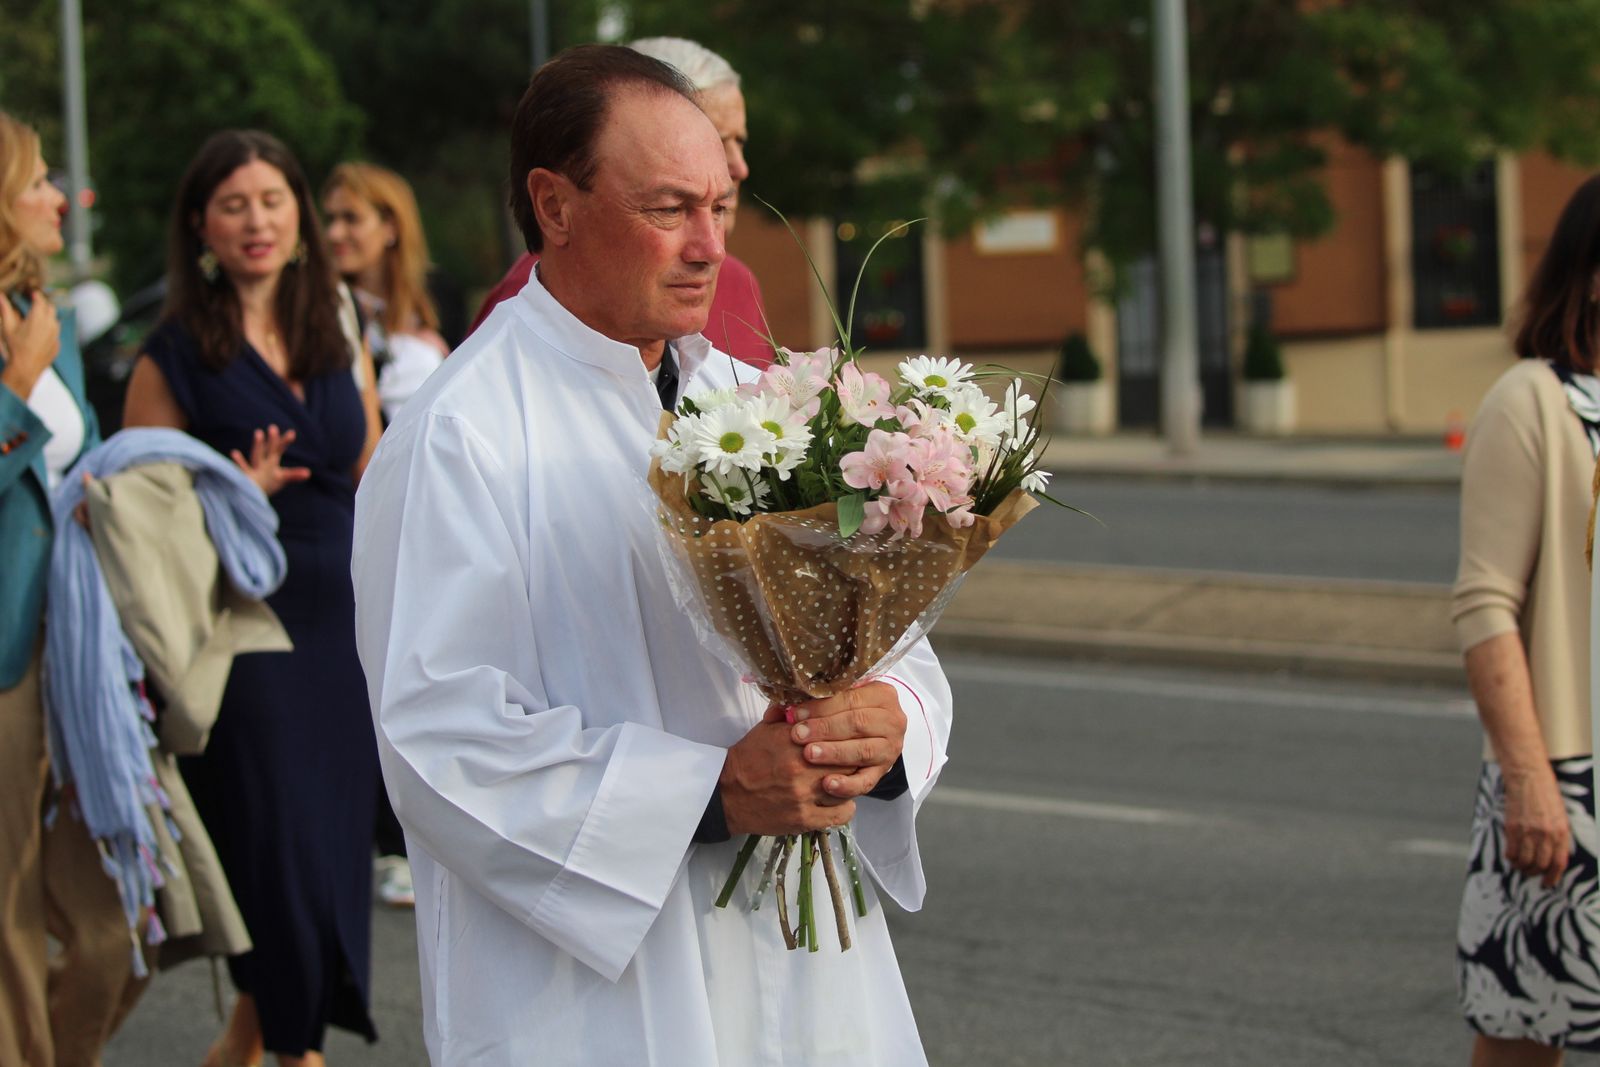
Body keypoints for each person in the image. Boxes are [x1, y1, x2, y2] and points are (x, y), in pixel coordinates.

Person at [352, 45, 951, 1065]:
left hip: (807, 959)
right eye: (668, 207)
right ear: (555, 203)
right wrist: (712, 794)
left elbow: (885, 636)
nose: (709, 244)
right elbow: (438, 740)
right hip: (599, 991)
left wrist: (888, 722)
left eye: (719, 205)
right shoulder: (461, 430)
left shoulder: (751, 401)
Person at [121, 129, 383, 1067]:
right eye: (233, 204)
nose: (256, 220)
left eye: (272, 199)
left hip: (344, 617)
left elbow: (369, 465)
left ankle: (255, 1037)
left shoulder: (340, 316)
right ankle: (295, 1046)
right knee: (281, 853)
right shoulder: (176, 349)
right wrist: (232, 495)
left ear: (300, 216)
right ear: (202, 226)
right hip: (246, 623)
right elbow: (137, 508)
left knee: (333, 848)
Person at [0, 108, 151, 1067]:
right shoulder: (28, 342)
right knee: (10, 921)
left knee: (120, 926)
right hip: (9, 664)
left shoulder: (42, 319)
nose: (61, 196)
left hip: (75, 652)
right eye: (39, 182)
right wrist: (13, 389)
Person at [1454, 173, 1600, 1067]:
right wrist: (1530, 778)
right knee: (1524, 1028)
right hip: (1570, 779)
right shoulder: (1535, 401)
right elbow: (1486, 602)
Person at [468, 36, 773, 367]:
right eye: (670, 208)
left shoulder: (737, 284)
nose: (739, 166)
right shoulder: (476, 403)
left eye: (739, 141)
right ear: (555, 208)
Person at [323, 162, 447, 427]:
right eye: (330, 219)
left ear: (391, 226)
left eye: (351, 218)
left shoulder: (439, 298)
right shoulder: (327, 306)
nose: (334, 233)